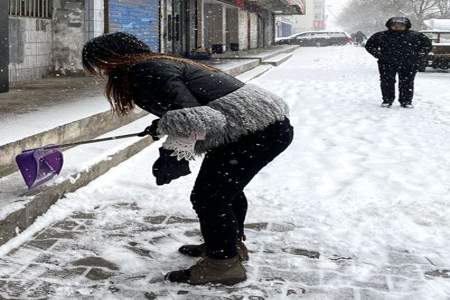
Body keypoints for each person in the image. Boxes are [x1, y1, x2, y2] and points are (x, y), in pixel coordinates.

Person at [82, 32, 293, 285]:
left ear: (113, 58)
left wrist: (172, 157)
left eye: (100, 63)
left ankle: (223, 263)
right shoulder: (155, 64)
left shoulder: (145, 71)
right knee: (226, 191)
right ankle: (228, 247)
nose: (101, 71)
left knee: (210, 196)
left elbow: (195, 117)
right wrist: (162, 125)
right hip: (258, 126)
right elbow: (191, 108)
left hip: (255, 130)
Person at [365, 17, 432, 108]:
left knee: (407, 82)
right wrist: (379, 55)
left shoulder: (416, 35)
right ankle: (387, 100)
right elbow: (369, 45)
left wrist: (419, 55)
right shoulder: (381, 35)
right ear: (390, 25)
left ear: (406, 25)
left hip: (409, 63)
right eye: (395, 25)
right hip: (386, 63)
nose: (398, 27)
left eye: (401, 25)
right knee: (387, 82)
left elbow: (427, 45)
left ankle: (406, 101)